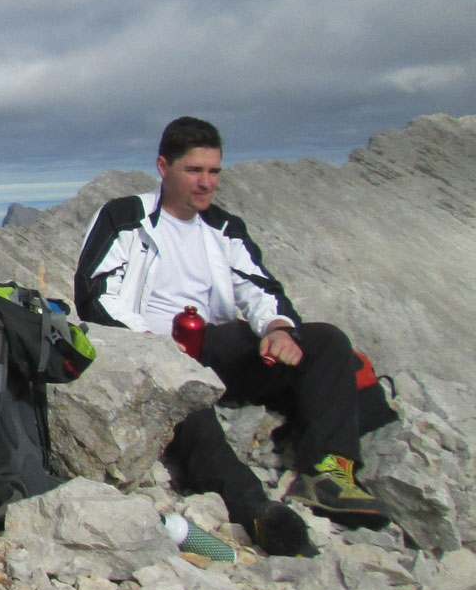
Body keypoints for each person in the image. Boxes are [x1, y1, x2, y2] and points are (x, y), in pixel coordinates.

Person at [75, 116, 387, 554]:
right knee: (187, 405)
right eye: (194, 171)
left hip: (214, 347)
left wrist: (278, 328)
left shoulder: (223, 228)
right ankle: (256, 511)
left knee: (328, 341)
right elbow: (95, 293)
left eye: (214, 171)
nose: (206, 183)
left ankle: (331, 473)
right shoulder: (125, 218)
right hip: (152, 358)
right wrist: (153, 348)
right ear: (164, 167)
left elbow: (259, 287)